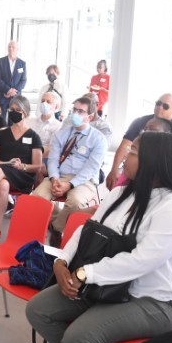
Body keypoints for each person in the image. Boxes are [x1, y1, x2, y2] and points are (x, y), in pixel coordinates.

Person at [26, 132, 172, 343]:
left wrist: (85, 274)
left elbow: (142, 261)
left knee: (78, 340)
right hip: (110, 288)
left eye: (134, 151)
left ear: (154, 163)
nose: (126, 153)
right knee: (39, 310)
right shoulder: (122, 194)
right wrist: (62, 262)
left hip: (156, 301)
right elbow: (87, 230)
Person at [32, 95, 107, 245]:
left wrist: (70, 184)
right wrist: (54, 179)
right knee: (37, 197)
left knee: (75, 203)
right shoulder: (62, 134)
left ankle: (56, 229)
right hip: (59, 175)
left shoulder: (98, 139)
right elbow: (53, 159)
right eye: (74, 110)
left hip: (83, 180)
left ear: (90, 117)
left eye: (81, 111)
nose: (75, 114)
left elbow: (91, 168)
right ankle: (59, 220)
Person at [0, 96, 43, 245]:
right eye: (12, 110)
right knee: (2, 183)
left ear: (26, 113)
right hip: (4, 174)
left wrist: (22, 166)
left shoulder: (33, 136)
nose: (14, 113)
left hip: (23, 175)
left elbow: (38, 165)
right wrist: (7, 163)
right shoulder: (2, 134)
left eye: (18, 110)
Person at [106, 93, 172, 189]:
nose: (160, 107)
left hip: (160, 177)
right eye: (158, 103)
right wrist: (114, 170)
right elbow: (125, 145)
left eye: (165, 106)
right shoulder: (140, 121)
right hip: (135, 169)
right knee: (116, 188)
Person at [0, 40, 27, 121]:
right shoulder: (0, 61)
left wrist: (13, 91)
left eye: (13, 47)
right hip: (1, 95)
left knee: (13, 122)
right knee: (0, 120)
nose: (11, 49)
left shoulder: (22, 63)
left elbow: (23, 80)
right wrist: (7, 90)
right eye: (9, 47)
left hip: (15, 97)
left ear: (17, 49)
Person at [28, 91, 63, 166]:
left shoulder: (58, 126)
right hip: (25, 155)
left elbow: (50, 148)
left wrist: (32, 156)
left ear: (56, 107)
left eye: (48, 102)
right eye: (42, 101)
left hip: (44, 159)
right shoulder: (30, 121)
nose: (44, 104)